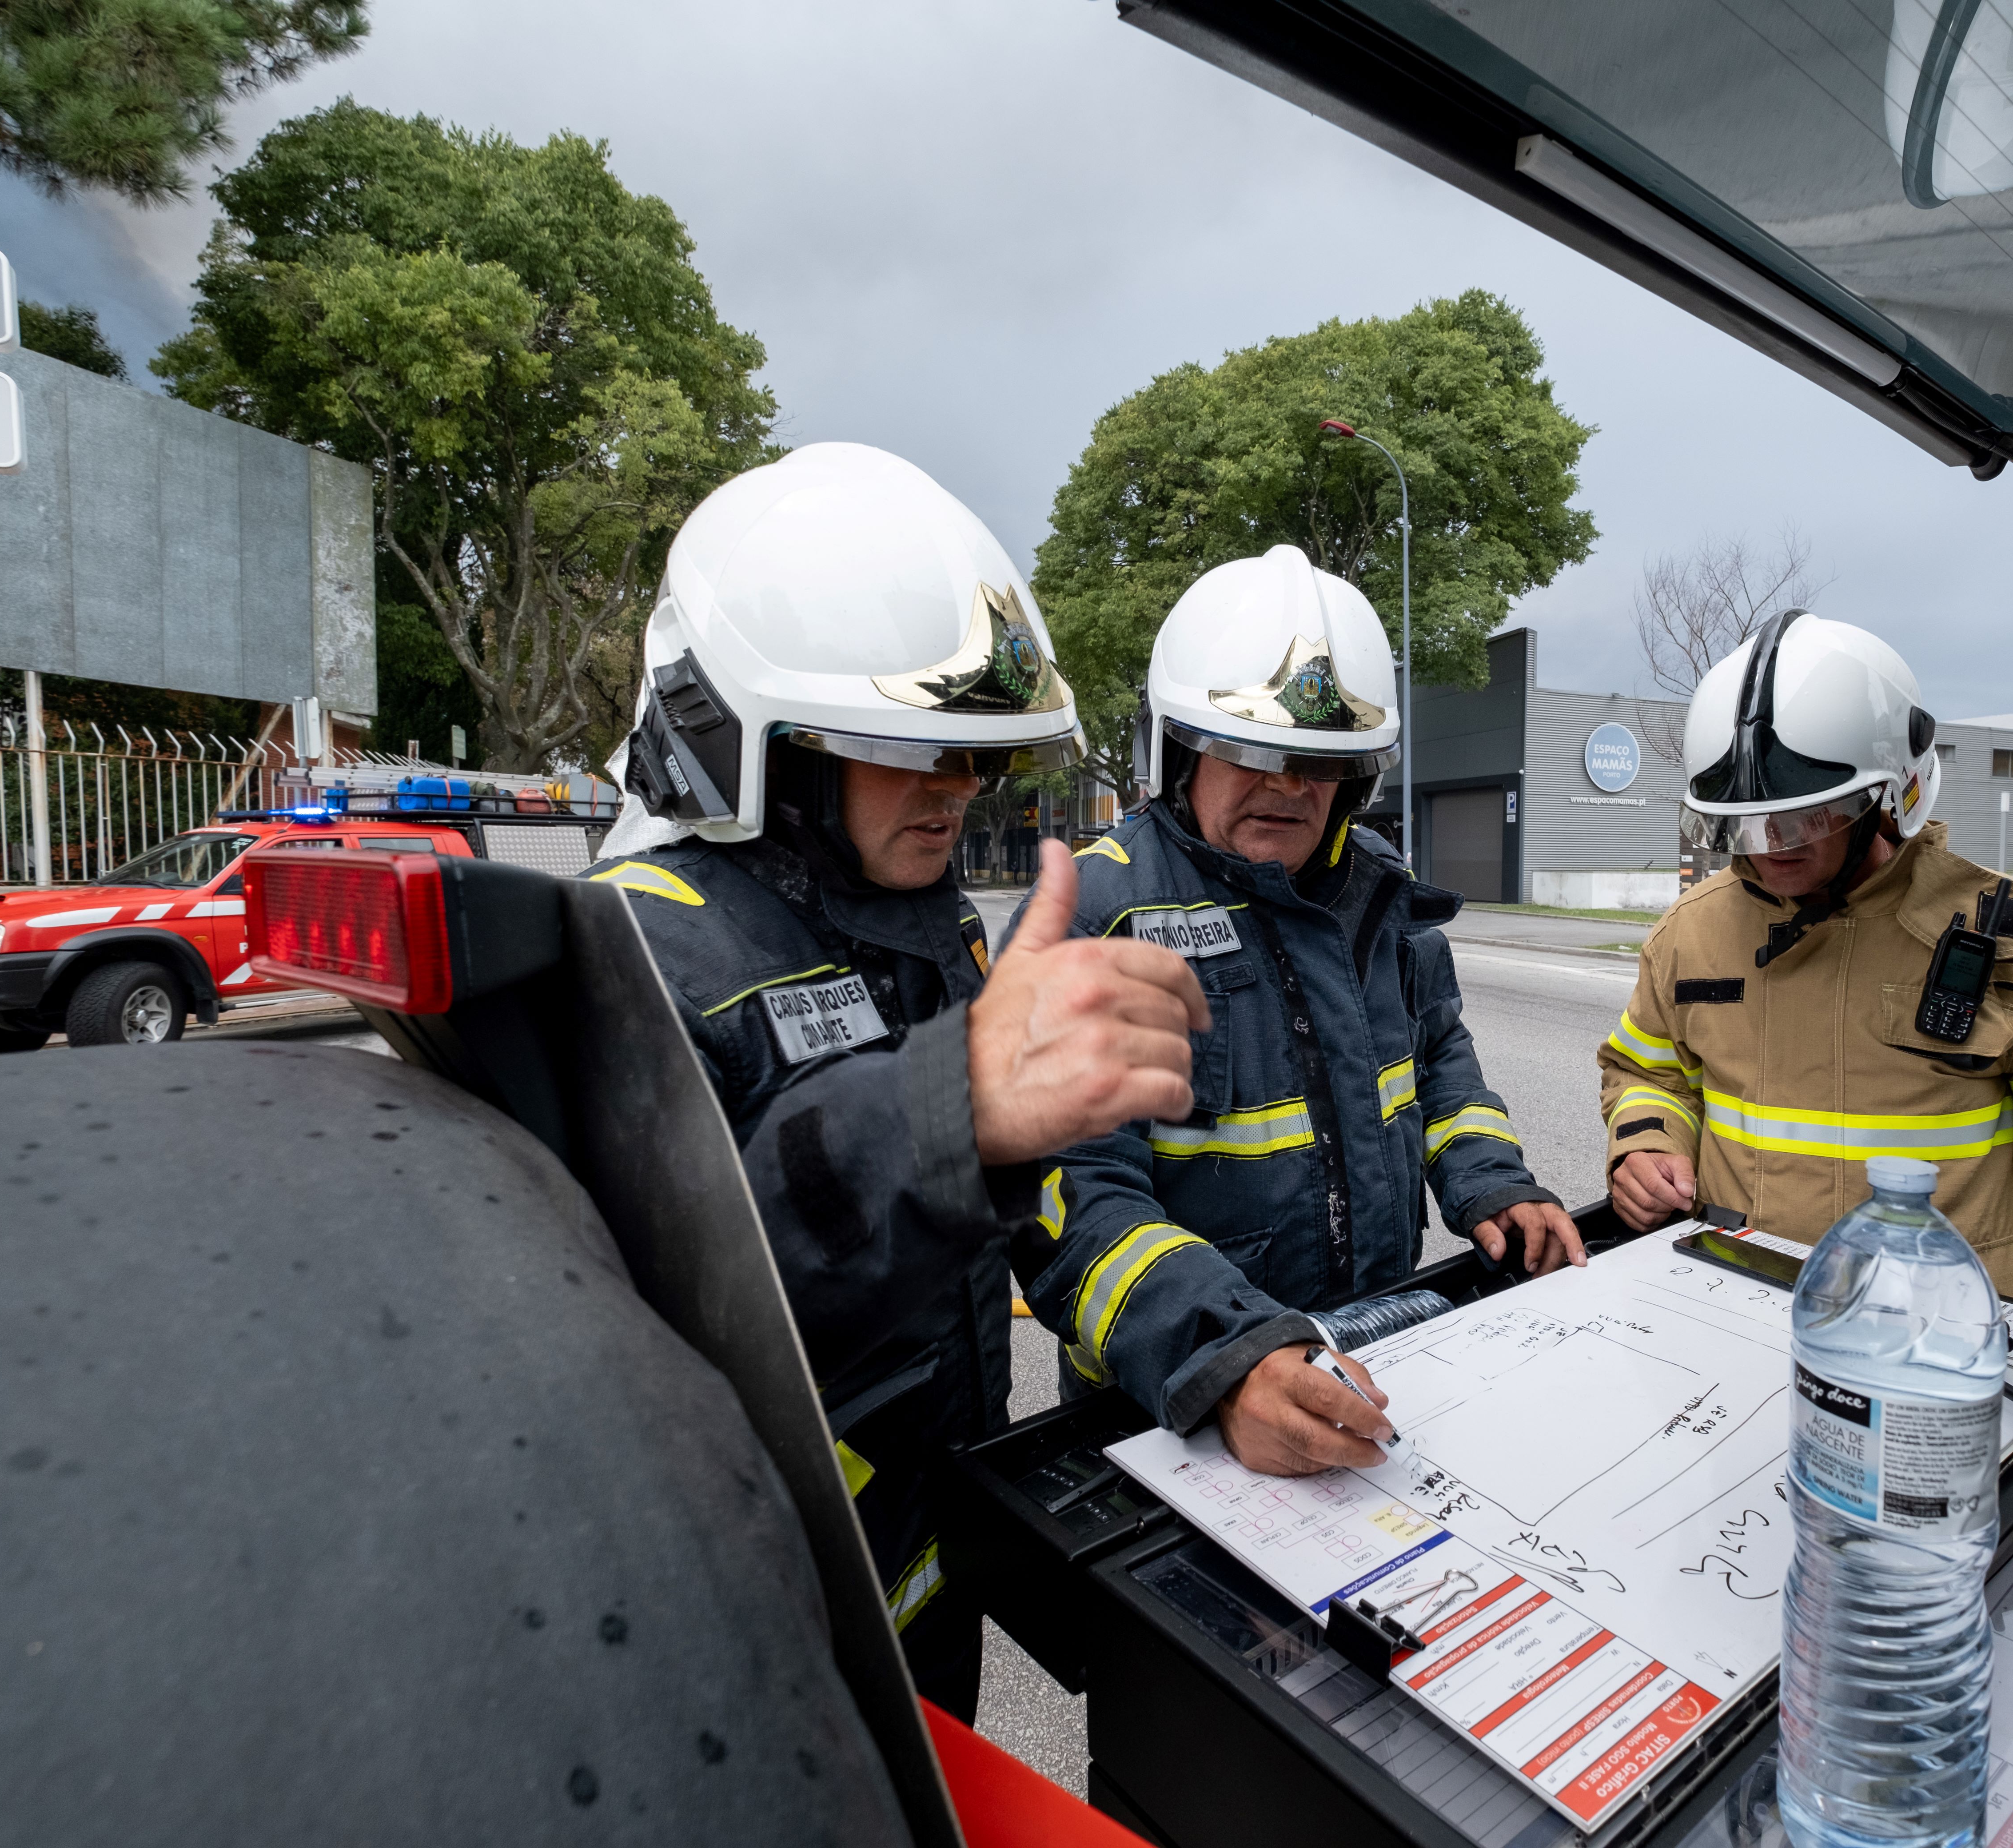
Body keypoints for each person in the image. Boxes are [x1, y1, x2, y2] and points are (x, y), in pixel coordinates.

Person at [584, 443, 1210, 1718]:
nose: (961, 787)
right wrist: (950, 1111)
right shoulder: (625, 958)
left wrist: (1220, 1348)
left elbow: (1035, 1217)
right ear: (751, 745)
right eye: (908, 749)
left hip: (925, 1571)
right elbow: (653, 1321)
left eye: (973, 756)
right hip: (756, 1625)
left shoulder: (934, 932)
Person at [1014, 545, 1585, 1476]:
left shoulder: (1383, 900)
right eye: (1251, 752)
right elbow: (1072, 1196)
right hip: (1175, 1410)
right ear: (1182, 749)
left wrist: (1494, 1182)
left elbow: (1440, 1062)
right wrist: (1225, 1361)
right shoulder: (1097, 914)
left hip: (1371, 1359)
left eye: (1321, 762)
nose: (1287, 785)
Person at [1597, 613, 2013, 1338]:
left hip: (1944, 1359)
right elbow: (1648, 1072)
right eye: (1747, 826)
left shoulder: (2008, 944)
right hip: (1741, 1326)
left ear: (1894, 796)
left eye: (1804, 820)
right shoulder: (1690, 935)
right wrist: (1648, 1142)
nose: (1770, 851)